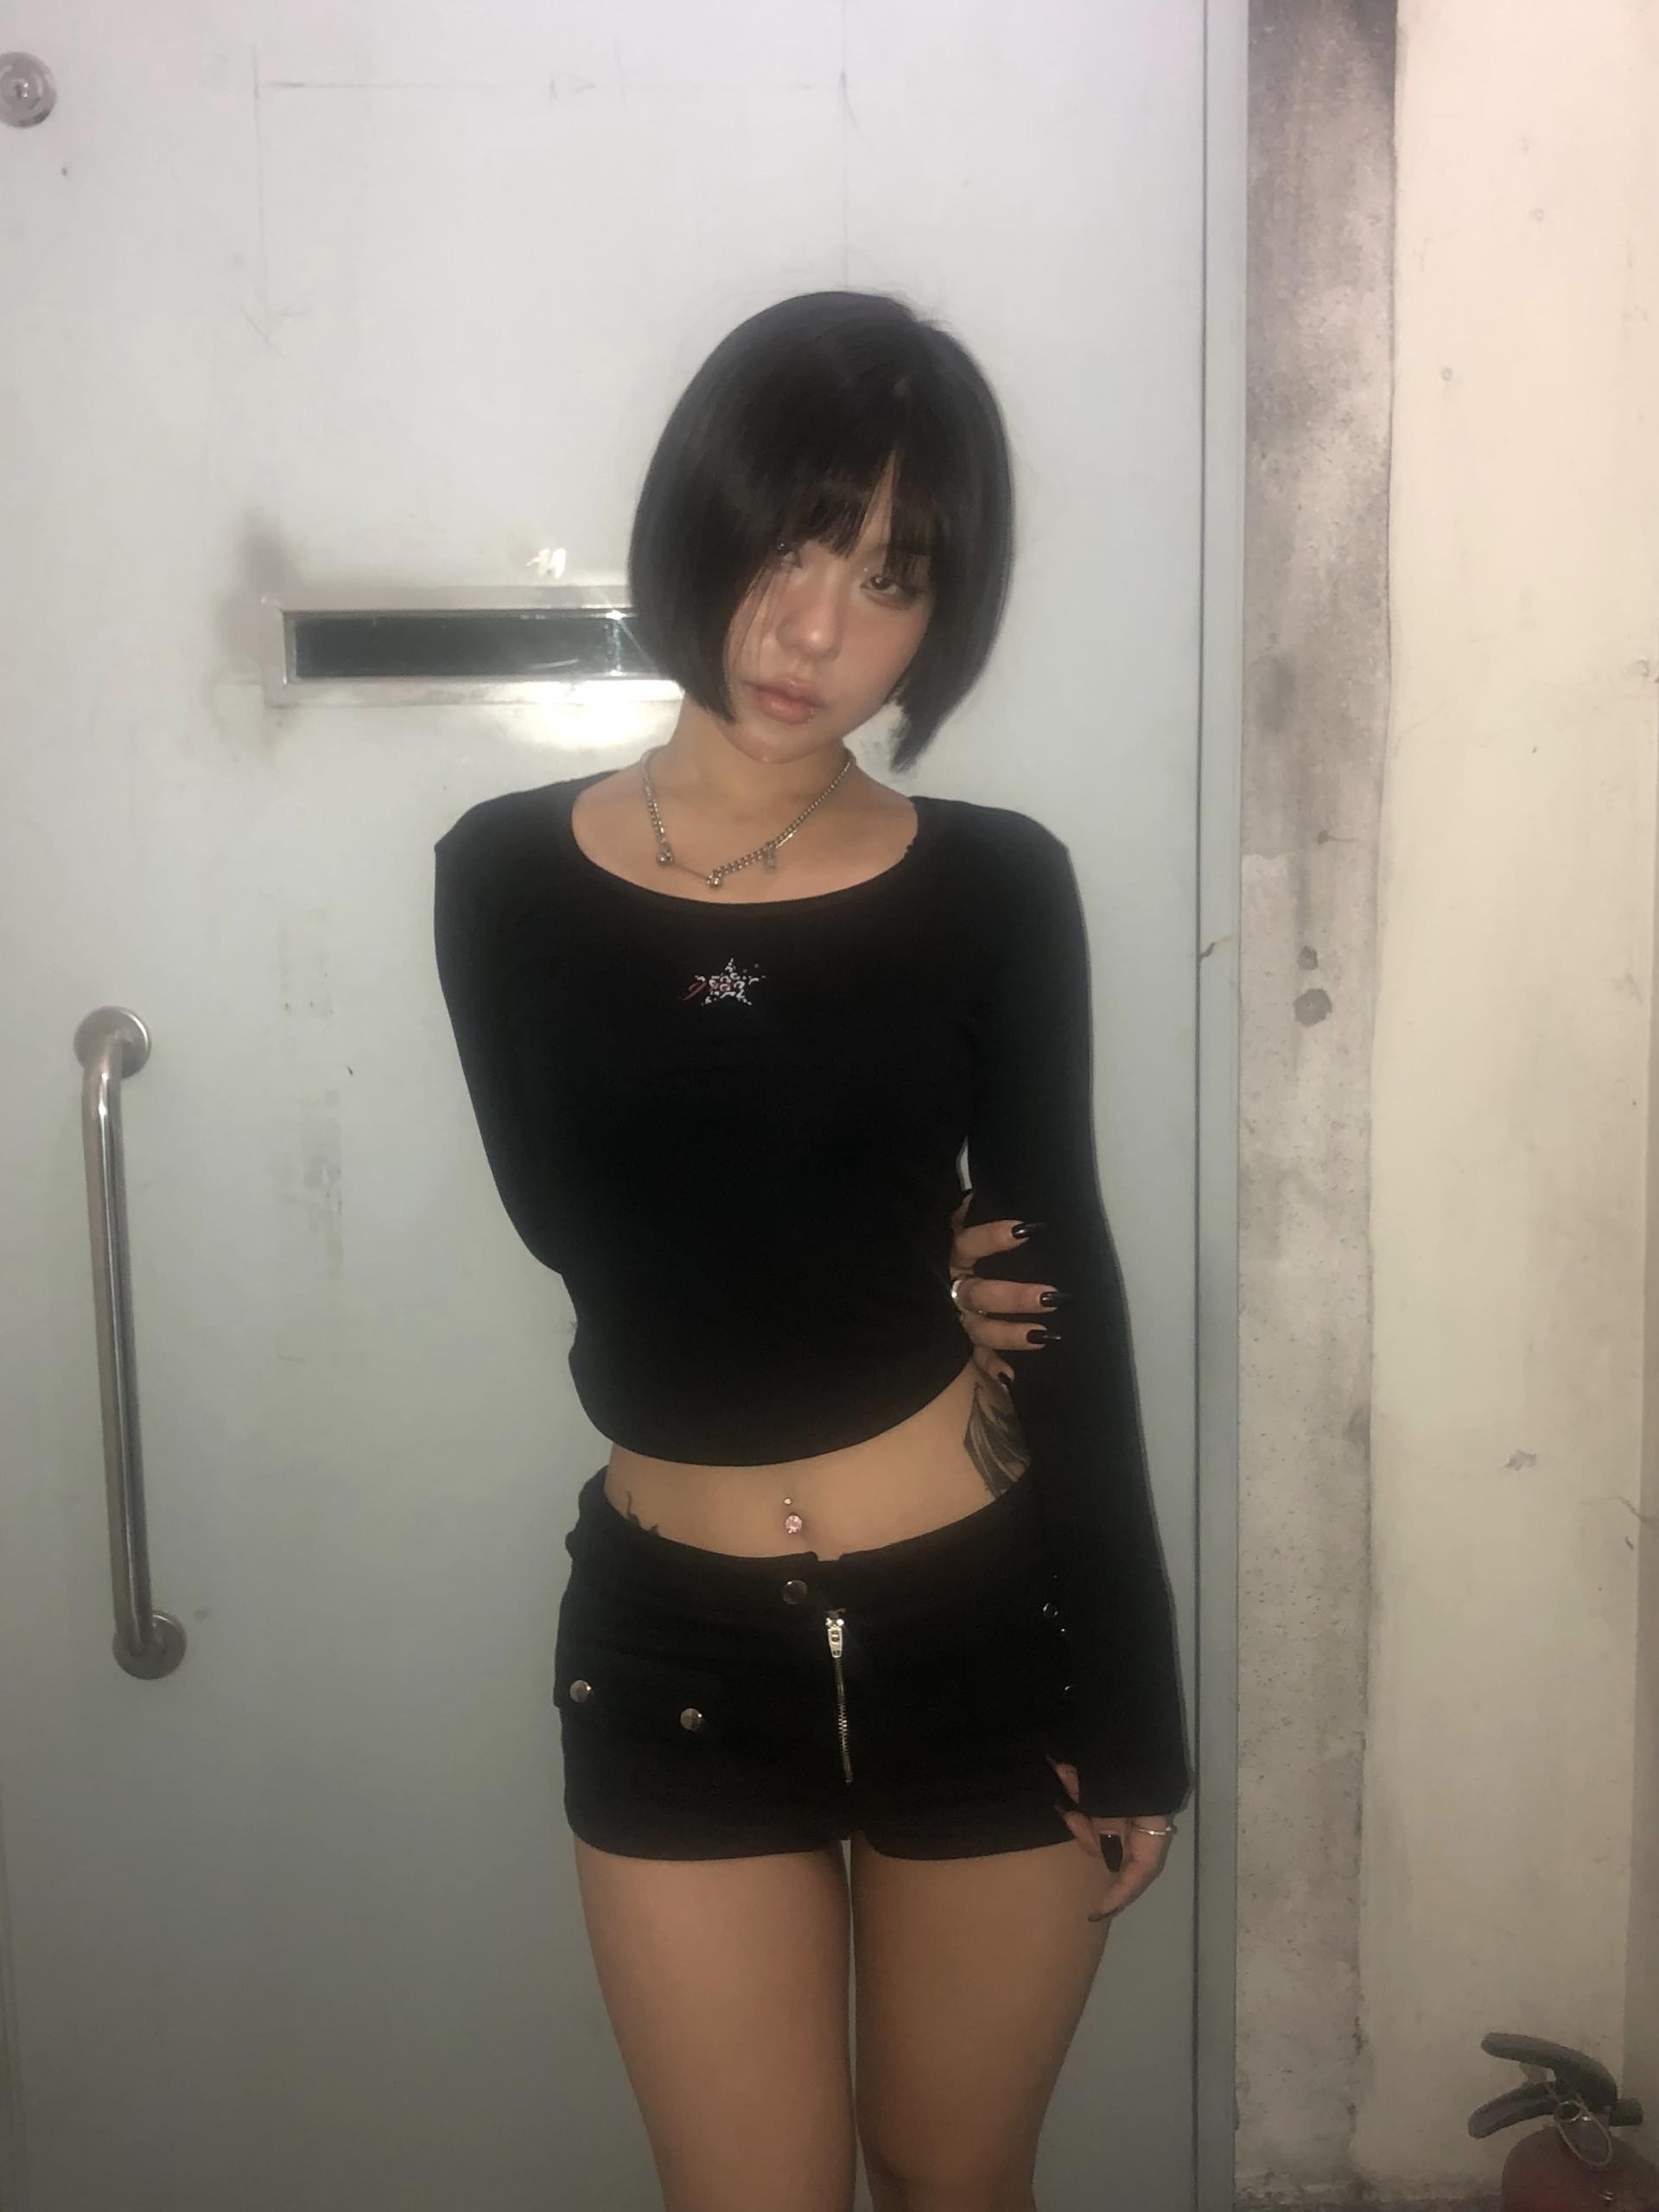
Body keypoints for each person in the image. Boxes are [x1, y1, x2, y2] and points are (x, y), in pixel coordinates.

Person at [433, 290, 1191, 2212]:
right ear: (696, 522)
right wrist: (881, 1235)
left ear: (943, 615)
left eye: (889, 575)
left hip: (982, 1626)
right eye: (789, 543)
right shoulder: (500, 876)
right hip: (675, 1642)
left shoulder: (995, 885)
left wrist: (1136, 1707)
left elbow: (1065, 1289)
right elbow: (576, 1235)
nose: (815, 627)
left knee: (954, 2176)